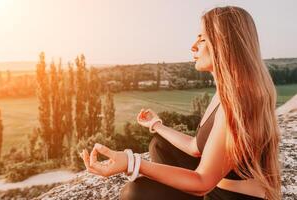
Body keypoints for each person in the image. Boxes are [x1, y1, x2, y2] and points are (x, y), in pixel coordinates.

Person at [80, 6, 281, 200]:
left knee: (134, 194)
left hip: (231, 197)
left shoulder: (240, 101)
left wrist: (132, 163)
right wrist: (156, 125)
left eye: (202, 39)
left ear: (224, 44)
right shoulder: (226, 91)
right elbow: (196, 147)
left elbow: (203, 182)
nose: (193, 46)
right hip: (215, 187)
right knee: (160, 145)